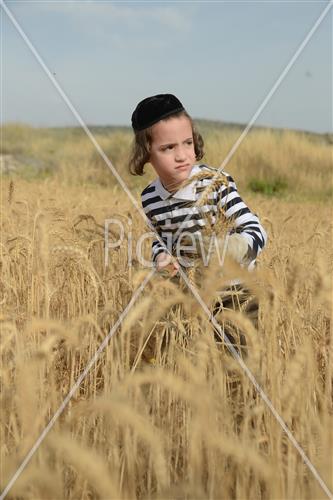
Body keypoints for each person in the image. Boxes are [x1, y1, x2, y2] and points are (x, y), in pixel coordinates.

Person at [129, 93, 268, 356]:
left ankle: (244, 396)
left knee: (237, 362)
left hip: (233, 291)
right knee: (186, 358)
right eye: (168, 148)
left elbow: (255, 228)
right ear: (146, 154)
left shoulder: (215, 183)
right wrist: (161, 257)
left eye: (187, 143)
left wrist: (231, 249)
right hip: (188, 292)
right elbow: (159, 239)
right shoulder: (149, 198)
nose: (182, 155)